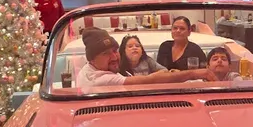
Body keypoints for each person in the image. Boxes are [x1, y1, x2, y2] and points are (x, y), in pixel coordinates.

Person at [78, 29, 212, 87]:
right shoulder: (101, 79)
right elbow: (150, 80)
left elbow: (160, 73)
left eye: (114, 51)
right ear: (92, 59)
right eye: (105, 53)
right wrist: (194, 73)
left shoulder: (88, 69)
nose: (114, 57)